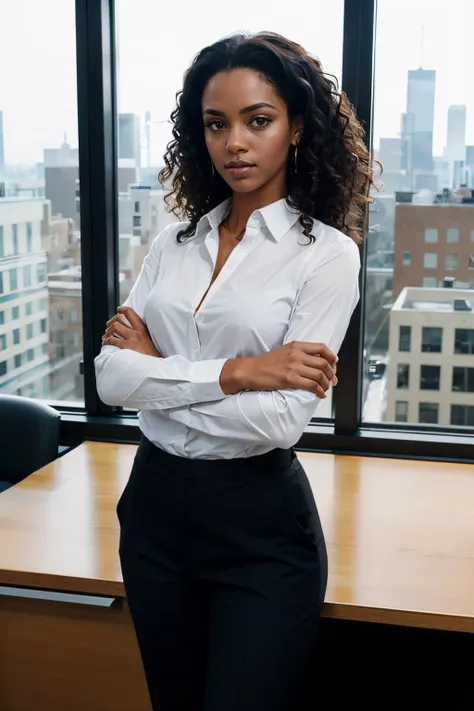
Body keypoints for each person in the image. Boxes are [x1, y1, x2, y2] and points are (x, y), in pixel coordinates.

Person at [95, 31, 375, 711]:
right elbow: (109, 381)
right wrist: (242, 372)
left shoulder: (326, 256)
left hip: (260, 529)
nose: (235, 144)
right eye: (216, 124)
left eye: (259, 120)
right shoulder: (175, 241)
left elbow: (278, 420)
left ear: (298, 127)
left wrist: (160, 371)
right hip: (156, 511)